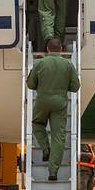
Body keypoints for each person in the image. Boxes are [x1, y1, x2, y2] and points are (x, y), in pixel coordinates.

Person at [26, 38, 80, 181]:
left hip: (42, 101)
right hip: (60, 103)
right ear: (61, 49)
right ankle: (53, 172)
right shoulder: (68, 65)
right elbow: (75, 87)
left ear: (47, 49)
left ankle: (45, 148)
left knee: (37, 124)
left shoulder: (40, 63)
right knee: (58, 136)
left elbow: (30, 85)